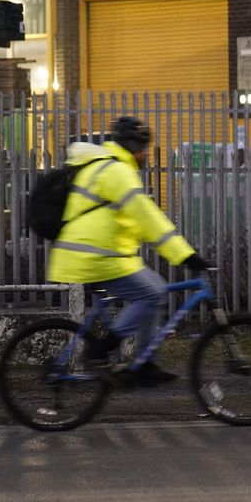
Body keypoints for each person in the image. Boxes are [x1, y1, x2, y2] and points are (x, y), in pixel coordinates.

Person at [46, 116, 210, 386]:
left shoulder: (110, 166)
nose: (145, 153)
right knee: (153, 293)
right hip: (93, 256)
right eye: (142, 147)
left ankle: (145, 362)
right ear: (133, 147)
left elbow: (138, 221)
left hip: (101, 254)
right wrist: (185, 255)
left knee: (156, 287)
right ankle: (99, 352)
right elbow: (147, 217)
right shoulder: (117, 172)